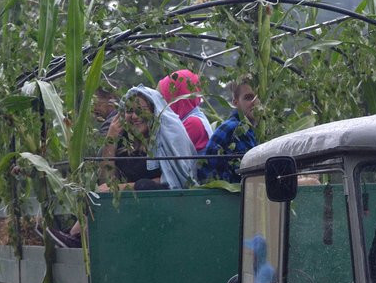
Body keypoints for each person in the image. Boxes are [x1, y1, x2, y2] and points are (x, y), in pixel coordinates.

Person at [49, 85, 198, 248]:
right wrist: (111, 138)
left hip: (165, 206)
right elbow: (107, 179)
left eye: (140, 110)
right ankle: (76, 237)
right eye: (129, 110)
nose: (134, 116)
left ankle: (77, 238)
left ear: (154, 111)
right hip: (130, 207)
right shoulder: (125, 141)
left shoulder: (168, 135)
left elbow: (171, 181)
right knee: (96, 192)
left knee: (144, 186)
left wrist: (122, 187)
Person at [198, 78, 258, 184]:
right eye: (248, 98)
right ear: (236, 102)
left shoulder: (247, 128)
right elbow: (251, 174)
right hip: (223, 195)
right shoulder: (236, 129)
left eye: (258, 97)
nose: (255, 103)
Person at [157, 69, 213, 153]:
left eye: (162, 97)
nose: (159, 103)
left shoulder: (193, 123)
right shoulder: (186, 118)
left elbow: (166, 154)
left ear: (177, 97)